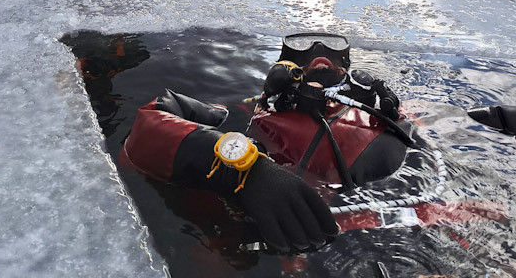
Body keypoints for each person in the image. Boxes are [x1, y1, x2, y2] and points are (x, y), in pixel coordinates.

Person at [120, 33, 414, 253]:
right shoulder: (249, 115)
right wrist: (243, 170)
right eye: (303, 55)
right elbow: (148, 127)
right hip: (260, 253)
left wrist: (387, 107)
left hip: (374, 247)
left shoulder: (383, 118)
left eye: (332, 56)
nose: (319, 55)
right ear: (284, 74)